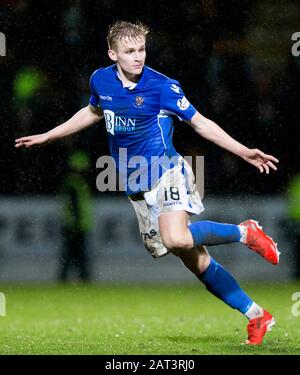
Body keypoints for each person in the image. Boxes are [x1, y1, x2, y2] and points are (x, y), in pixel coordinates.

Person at [15, 21, 280, 345]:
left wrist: (243, 151)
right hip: (135, 183)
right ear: (113, 54)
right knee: (191, 258)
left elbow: (200, 123)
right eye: (130, 51)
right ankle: (256, 315)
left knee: (175, 237)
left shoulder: (162, 87)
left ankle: (244, 232)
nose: (138, 57)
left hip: (167, 171)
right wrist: (49, 135)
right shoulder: (100, 80)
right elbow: (92, 112)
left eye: (141, 49)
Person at [59, 150, 93, 282]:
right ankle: (83, 278)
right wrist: (77, 223)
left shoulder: (73, 182)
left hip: (74, 224)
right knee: (77, 254)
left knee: (71, 254)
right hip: (75, 225)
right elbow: (75, 206)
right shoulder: (75, 183)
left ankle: (67, 278)